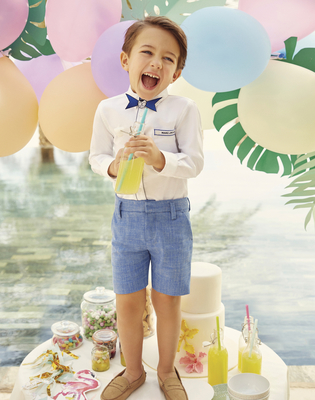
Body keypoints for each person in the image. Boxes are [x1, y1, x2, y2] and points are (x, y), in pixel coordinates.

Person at [89, 16, 204, 400]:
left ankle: (167, 371)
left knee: (167, 298)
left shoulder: (183, 110)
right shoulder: (107, 110)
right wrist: (112, 166)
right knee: (128, 298)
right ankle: (134, 370)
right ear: (126, 60)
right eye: (147, 52)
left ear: (177, 71)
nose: (157, 62)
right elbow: (96, 156)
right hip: (127, 217)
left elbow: (195, 162)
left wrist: (160, 160)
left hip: (171, 216)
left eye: (168, 58)